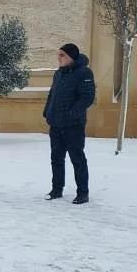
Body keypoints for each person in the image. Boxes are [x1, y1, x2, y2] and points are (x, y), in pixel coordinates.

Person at [42, 43, 95, 204]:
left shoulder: (84, 73)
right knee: (56, 158)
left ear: (71, 57)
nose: (59, 57)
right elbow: (52, 94)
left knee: (77, 159)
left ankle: (82, 193)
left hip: (73, 125)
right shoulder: (58, 73)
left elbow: (87, 97)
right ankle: (57, 190)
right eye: (58, 54)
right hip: (56, 124)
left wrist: (72, 114)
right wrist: (47, 111)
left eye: (62, 55)